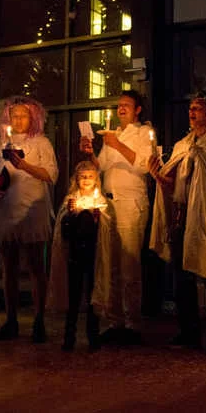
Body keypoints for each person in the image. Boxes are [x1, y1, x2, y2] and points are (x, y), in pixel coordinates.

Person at [148, 92, 206, 351]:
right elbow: (173, 183)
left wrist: (197, 153)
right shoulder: (182, 145)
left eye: (197, 108)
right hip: (181, 215)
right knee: (182, 276)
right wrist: (158, 175)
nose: (192, 112)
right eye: (190, 108)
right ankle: (189, 331)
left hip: (205, 216)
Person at [80, 90, 152, 345]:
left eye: (126, 105)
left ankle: (132, 324)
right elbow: (100, 167)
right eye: (119, 105)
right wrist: (90, 153)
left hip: (131, 203)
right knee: (110, 264)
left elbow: (145, 165)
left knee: (129, 265)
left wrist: (117, 145)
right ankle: (114, 321)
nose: (121, 109)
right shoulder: (113, 135)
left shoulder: (144, 133)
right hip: (109, 204)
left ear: (137, 110)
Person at [0, 96, 58, 343]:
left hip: (33, 210)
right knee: (9, 268)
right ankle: (11, 320)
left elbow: (51, 175)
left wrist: (23, 165)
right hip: (8, 209)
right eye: (14, 116)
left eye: (22, 116)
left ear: (32, 118)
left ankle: (39, 321)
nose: (18, 120)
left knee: (37, 267)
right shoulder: (0, 143)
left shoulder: (41, 143)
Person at [48, 161, 114, 352]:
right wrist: (70, 214)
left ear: (96, 179)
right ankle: (69, 336)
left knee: (93, 294)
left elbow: (107, 225)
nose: (86, 180)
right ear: (76, 179)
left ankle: (93, 336)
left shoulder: (101, 200)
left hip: (93, 254)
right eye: (83, 176)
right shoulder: (70, 199)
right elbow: (62, 227)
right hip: (75, 253)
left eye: (90, 176)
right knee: (73, 295)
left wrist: (97, 218)